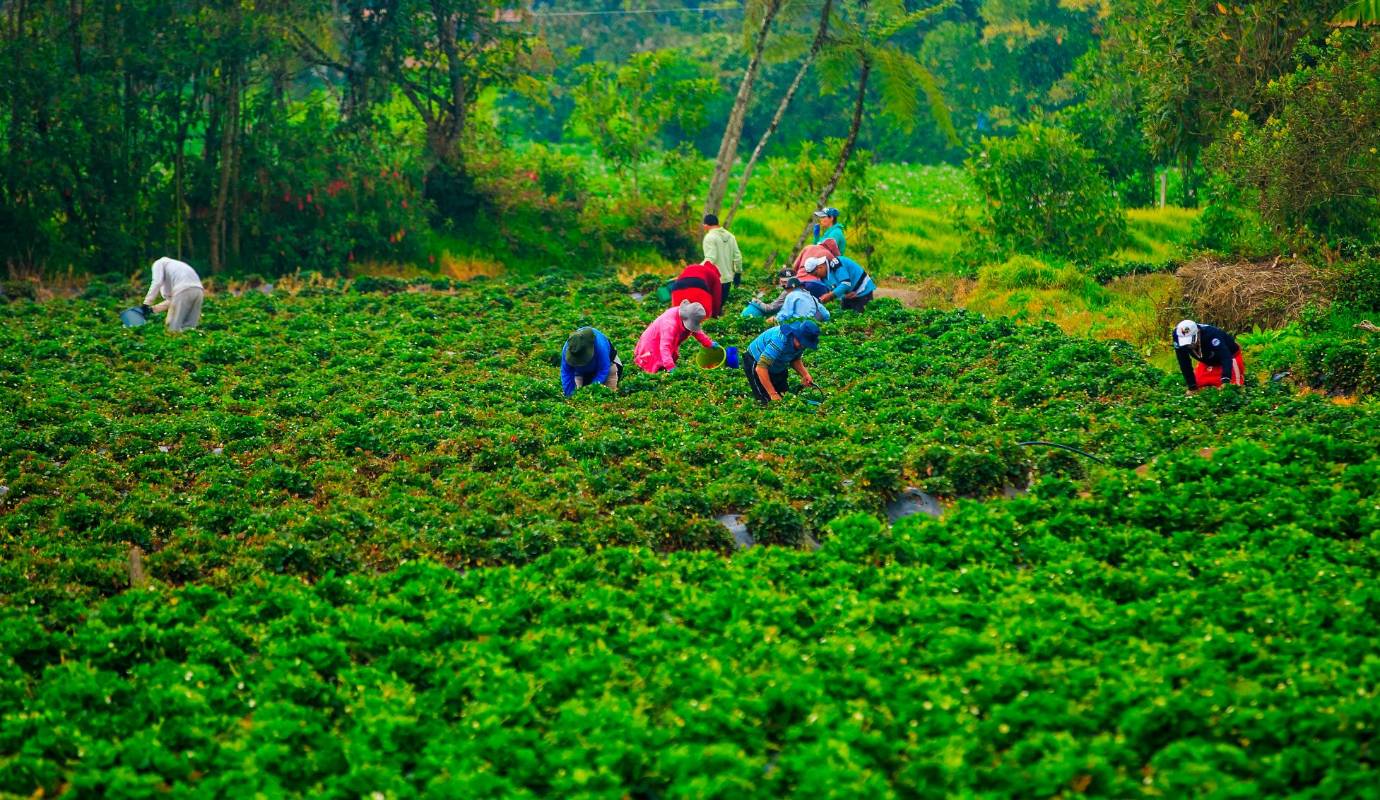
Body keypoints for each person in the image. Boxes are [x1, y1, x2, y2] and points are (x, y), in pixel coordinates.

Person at [744, 320, 820, 404]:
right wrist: (773, 394)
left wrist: (805, 374)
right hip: (756, 361)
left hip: (777, 364)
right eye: (801, 342)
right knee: (767, 401)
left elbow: (795, 359)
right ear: (795, 334)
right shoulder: (779, 340)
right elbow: (761, 368)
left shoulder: (800, 345)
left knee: (785, 398)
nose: (802, 346)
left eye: (805, 344)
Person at [635, 300, 717, 374]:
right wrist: (670, 367)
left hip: (662, 344)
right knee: (655, 366)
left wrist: (709, 343)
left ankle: (665, 364)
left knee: (664, 362)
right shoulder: (669, 325)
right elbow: (665, 347)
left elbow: (696, 331)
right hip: (651, 346)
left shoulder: (686, 314)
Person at [1174, 319, 1244, 392]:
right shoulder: (1177, 336)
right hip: (1207, 361)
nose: (1188, 345)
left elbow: (1225, 356)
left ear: (1197, 332)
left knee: (1232, 389)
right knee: (1198, 386)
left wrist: (1226, 379)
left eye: (1190, 341)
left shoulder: (1211, 334)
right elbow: (1184, 362)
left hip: (1230, 358)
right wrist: (1192, 386)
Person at [140, 256, 204, 332]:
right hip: (199, 291)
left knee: (173, 326)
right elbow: (173, 300)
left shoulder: (158, 263)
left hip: (183, 290)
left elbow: (157, 282)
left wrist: (146, 304)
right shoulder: (176, 266)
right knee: (190, 327)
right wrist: (154, 309)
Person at [561, 327, 621, 397]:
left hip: (607, 370)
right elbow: (566, 372)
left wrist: (591, 389)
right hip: (579, 373)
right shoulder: (568, 348)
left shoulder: (600, 347)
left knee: (607, 397)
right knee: (578, 397)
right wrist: (570, 394)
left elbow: (603, 369)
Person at [701, 214, 743, 304]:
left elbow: (710, 258)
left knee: (712, 309)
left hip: (714, 280)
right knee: (721, 308)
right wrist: (738, 272)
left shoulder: (709, 237)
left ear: (705, 225)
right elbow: (738, 256)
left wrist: (697, 269)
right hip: (727, 279)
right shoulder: (731, 236)